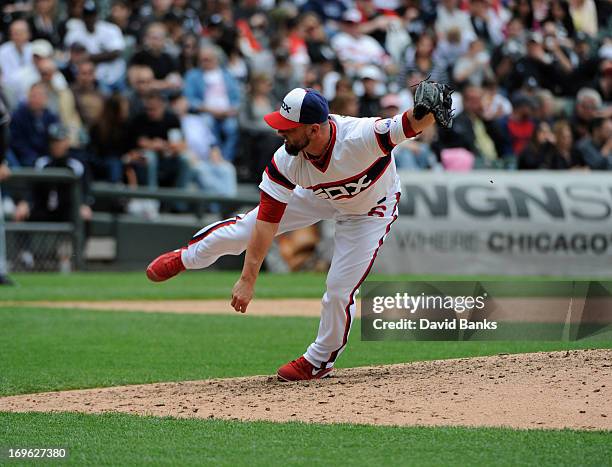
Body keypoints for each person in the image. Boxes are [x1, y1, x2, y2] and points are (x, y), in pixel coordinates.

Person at [146, 84, 452, 381]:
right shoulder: (286, 159)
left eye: (288, 127)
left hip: (369, 210)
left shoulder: (361, 136)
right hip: (317, 195)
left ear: (314, 129)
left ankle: (318, 361)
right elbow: (266, 222)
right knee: (244, 230)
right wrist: (247, 279)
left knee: (339, 289)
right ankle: (187, 257)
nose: (280, 132)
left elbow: (411, 124)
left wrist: (426, 111)